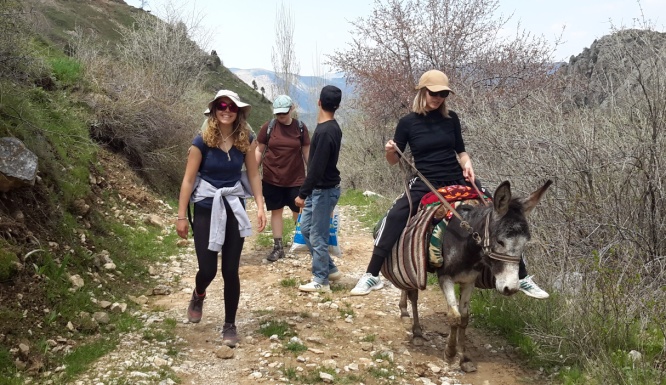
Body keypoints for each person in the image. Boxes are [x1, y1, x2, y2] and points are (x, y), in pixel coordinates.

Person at [350, 70, 549, 299]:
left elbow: (460, 151)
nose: (438, 97)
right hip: (425, 180)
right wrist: (389, 152)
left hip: (457, 176)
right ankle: (372, 274)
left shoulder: (451, 118)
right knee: (395, 215)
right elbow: (395, 160)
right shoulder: (407, 123)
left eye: (443, 93)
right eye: (434, 93)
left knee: (505, 215)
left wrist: (468, 163)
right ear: (423, 92)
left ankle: (522, 277)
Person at [176, 89, 267, 347]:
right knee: (208, 269)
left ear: (239, 112)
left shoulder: (246, 140)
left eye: (231, 106)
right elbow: (188, 179)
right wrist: (181, 216)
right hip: (206, 206)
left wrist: (260, 206)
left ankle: (229, 324)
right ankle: (199, 292)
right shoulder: (201, 141)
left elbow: (252, 175)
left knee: (230, 270)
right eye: (221, 106)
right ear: (214, 110)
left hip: (233, 206)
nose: (226, 110)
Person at [295, 85, 343, 293]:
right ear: (337, 106)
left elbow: (316, 167)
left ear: (319, 102)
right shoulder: (332, 127)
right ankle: (329, 268)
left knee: (317, 236)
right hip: (320, 189)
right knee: (306, 229)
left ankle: (321, 280)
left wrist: (302, 194)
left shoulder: (325, 132)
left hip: (323, 190)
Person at [255, 95, 310, 262]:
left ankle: (302, 243)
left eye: (284, 113)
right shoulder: (269, 127)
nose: (280, 116)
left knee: (298, 212)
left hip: (296, 179)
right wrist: (252, 170)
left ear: (291, 109)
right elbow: (259, 150)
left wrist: (314, 174)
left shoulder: (300, 128)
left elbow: (307, 152)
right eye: (278, 113)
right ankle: (278, 247)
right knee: (276, 211)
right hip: (272, 179)